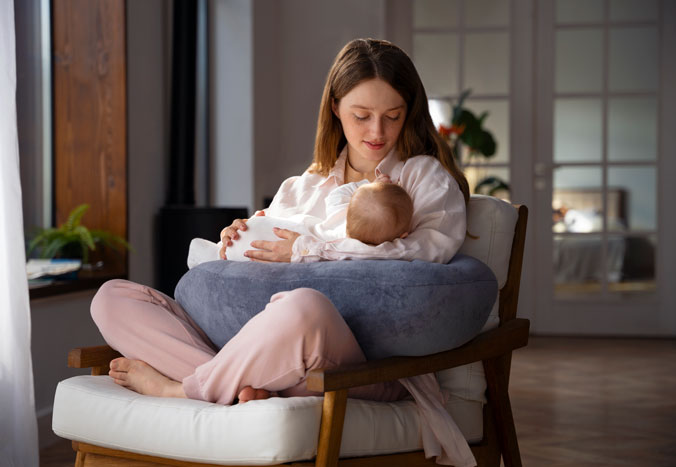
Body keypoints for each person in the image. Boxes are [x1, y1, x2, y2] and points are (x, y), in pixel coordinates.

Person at [91, 38, 474, 466]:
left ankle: (179, 387)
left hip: (360, 366)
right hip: (266, 347)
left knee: (303, 307)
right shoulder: (301, 188)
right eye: (361, 116)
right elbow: (248, 278)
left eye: (393, 116)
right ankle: (247, 381)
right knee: (112, 298)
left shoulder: (423, 179)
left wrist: (310, 251)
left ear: (410, 112)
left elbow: (425, 257)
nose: (377, 133)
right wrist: (234, 244)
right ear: (334, 107)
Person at [186, 175, 413, 268]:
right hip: (265, 237)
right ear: (402, 235)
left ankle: (213, 254)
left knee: (229, 253)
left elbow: (338, 195)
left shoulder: (341, 211)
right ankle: (213, 254)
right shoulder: (358, 249)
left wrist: (369, 183)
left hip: (267, 228)